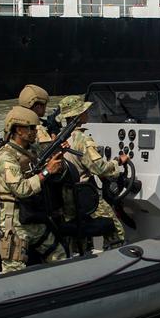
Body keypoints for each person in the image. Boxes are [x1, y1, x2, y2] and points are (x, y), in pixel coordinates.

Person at [0, 105, 67, 273]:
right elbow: (21, 188)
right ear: (18, 130)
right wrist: (47, 171)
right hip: (14, 222)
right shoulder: (6, 156)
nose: (35, 131)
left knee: (58, 254)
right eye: (31, 128)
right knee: (14, 270)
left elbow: (45, 159)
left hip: (32, 216)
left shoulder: (31, 151)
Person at [57, 94, 129, 249]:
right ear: (78, 115)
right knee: (116, 229)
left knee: (77, 234)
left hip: (67, 196)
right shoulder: (83, 140)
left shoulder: (60, 138)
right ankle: (117, 259)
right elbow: (100, 168)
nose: (87, 113)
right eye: (84, 111)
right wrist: (117, 162)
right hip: (85, 196)